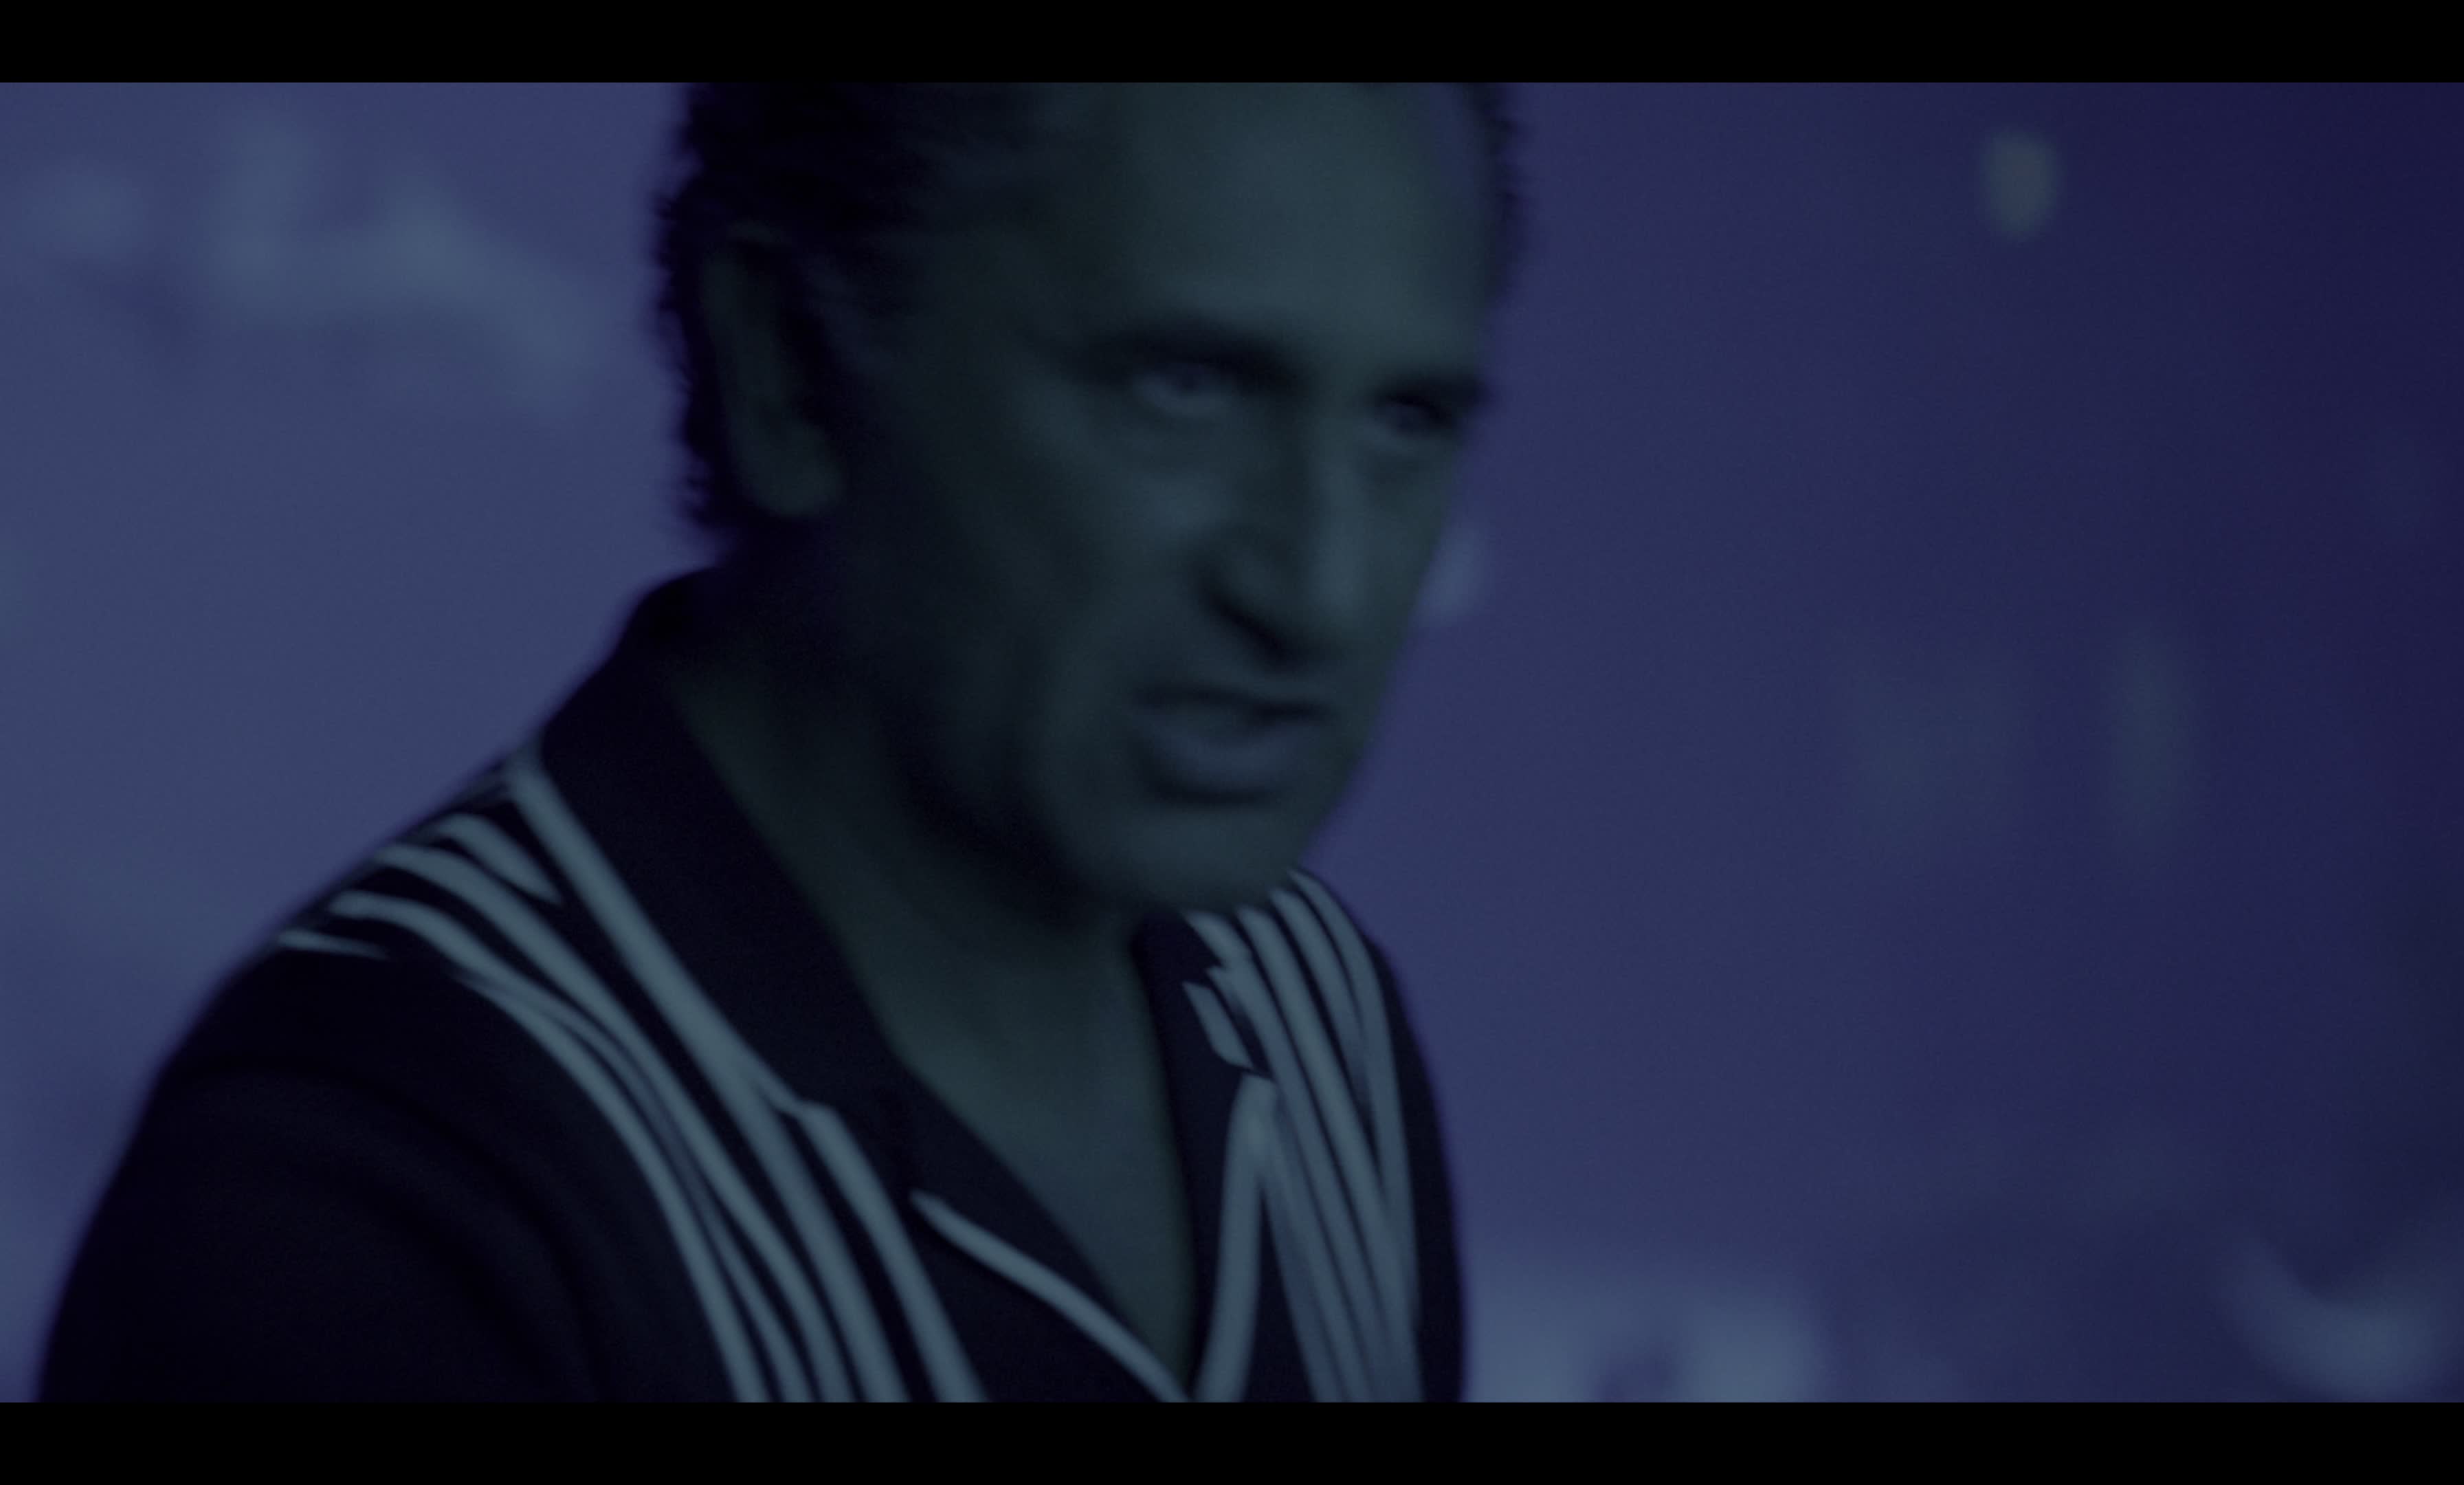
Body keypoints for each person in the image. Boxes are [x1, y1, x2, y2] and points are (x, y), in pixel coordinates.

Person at [41, 82, 1524, 1402]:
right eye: (1181, 390)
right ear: (787, 366)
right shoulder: (371, 1190)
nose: (1322, 589)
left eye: (1406, 422)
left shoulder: (1316, 1009)